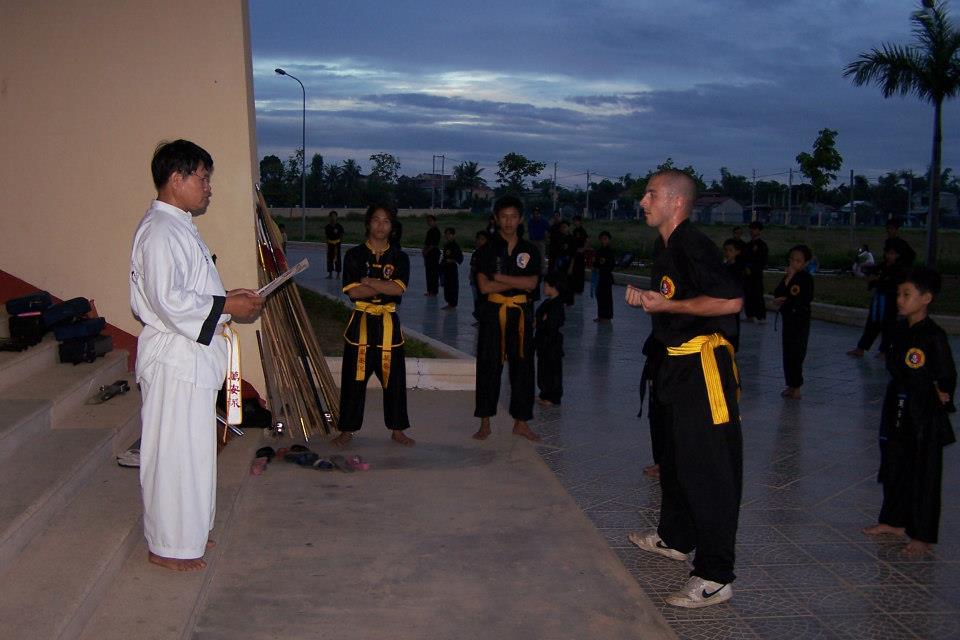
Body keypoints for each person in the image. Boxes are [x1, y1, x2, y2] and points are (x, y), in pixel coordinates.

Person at [130, 139, 263, 571]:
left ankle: (187, 536)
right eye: (203, 178)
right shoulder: (160, 231)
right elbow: (167, 299)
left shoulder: (178, 225)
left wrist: (231, 296)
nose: (209, 188)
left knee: (193, 455)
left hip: (189, 358)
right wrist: (227, 307)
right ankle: (167, 546)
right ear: (176, 179)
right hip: (174, 360)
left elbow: (191, 291)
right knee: (172, 455)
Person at [625, 169, 743, 608]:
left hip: (704, 368)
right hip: (676, 364)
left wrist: (667, 303)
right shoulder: (668, 246)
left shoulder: (693, 243)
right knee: (675, 459)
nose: (642, 200)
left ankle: (715, 575)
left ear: (676, 202)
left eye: (650, 193)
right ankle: (675, 537)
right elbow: (677, 303)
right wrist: (653, 302)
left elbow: (730, 300)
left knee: (710, 470)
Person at [863, 267, 956, 557]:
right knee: (894, 464)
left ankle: (922, 535)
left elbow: (947, 374)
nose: (900, 300)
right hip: (898, 404)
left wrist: (942, 394)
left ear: (926, 298)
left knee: (923, 473)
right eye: (899, 294)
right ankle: (893, 520)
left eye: (907, 295)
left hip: (922, 412)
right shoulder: (900, 329)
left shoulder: (933, 335)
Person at [332, 204, 414, 448]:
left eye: (386, 221)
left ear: (392, 226)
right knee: (353, 379)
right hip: (361, 323)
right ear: (368, 223)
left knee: (395, 378)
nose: (381, 225)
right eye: (376, 220)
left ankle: (397, 429)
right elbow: (354, 291)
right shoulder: (354, 255)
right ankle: (347, 429)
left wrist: (369, 281)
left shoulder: (400, 257)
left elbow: (398, 289)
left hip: (389, 324)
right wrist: (380, 285)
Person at [472, 195, 542, 443]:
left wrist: (500, 279)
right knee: (489, 366)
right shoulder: (486, 250)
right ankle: (485, 422)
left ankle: (521, 423)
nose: (509, 221)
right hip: (493, 314)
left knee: (523, 368)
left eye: (513, 216)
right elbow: (483, 287)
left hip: (521, 315)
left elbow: (532, 284)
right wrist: (515, 283)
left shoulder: (530, 250)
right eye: (504, 216)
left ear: (520, 219)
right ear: (496, 219)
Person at [848, 244, 906, 358]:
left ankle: (884, 351)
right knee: (872, 324)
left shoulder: (899, 269)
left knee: (888, 326)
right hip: (878, 299)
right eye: (888, 253)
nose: (889, 256)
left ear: (898, 255)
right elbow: (872, 276)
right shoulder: (882, 266)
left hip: (890, 301)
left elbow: (896, 283)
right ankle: (861, 348)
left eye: (892, 254)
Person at [773, 245, 814, 399]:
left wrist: (787, 301)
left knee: (797, 352)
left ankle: (796, 386)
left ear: (805, 263)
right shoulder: (789, 276)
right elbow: (778, 292)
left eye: (798, 261)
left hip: (800, 321)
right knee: (788, 352)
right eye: (792, 260)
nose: (794, 263)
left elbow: (805, 298)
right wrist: (788, 278)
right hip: (788, 320)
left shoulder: (806, 278)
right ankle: (790, 384)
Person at [535, 273, 565, 406]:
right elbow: (539, 318)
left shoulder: (557, 305)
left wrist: (542, 321)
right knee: (543, 369)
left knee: (551, 370)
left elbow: (551, 324)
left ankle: (552, 397)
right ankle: (545, 393)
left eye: (546, 285)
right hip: (543, 341)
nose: (543, 288)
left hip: (551, 343)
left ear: (553, 287)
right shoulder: (548, 302)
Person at [722, 238, 746, 351]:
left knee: (733, 326)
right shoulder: (724, 266)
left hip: (733, 301)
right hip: (724, 302)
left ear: (737, 252)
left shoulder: (738, 268)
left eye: (730, 250)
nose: (727, 253)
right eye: (726, 250)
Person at [742, 221, 768, 323]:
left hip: (756, 274)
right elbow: (744, 258)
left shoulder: (762, 246)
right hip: (747, 274)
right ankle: (750, 315)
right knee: (748, 295)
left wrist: (752, 269)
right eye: (751, 229)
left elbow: (762, 260)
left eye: (755, 229)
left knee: (757, 294)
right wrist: (745, 268)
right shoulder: (748, 245)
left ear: (759, 231)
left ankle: (761, 316)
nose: (752, 231)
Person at [593, 231, 615, 322]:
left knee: (607, 297)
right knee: (599, 297)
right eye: (602, 239)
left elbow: (611, 266)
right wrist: (594, 268)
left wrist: (601, 269)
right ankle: (600, 315)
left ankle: (607, 317)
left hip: (606, 277)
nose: (604, 241)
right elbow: (596, 263)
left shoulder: (610, 252)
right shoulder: (599, 251)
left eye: (605, 239)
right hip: (599, 277)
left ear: (609, 240)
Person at [441, 227, 463, 309]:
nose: (447, 236)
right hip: (446, 268)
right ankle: (449, 302)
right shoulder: (446, 245)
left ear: (453, 235)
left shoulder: (455, 246)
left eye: (449, 234)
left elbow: (460, 258)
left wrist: (452, 260)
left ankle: (453, 303)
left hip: (452, 269)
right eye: (446, 234)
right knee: (446, 286)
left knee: (453, 286)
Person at [469, 231, 487, 324]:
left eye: (482, 239)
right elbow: (472, 266)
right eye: (478, 239)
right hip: (475, 281)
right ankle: (479, 318)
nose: (479, 241)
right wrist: (471, 277)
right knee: (476, 300)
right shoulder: (476, 253)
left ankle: (483, 319)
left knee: (483, 300)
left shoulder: (487, 254)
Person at [423, 214, 441, 296]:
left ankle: (434, 291)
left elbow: (433, 244)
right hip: (429, 253)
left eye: (430, 221)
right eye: (428, 221)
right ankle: (430, 290)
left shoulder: (436, 231)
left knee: (433, 273)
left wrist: (426, 251)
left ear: (434, 221)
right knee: (429, 272)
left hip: (433, 253)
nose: (429, 223)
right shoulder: (430, 231)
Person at [527, 207, 550, 273]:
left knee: (542, 258)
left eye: (537, 213)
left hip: (541, 241)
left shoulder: (544, 221)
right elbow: (529, 231)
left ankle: (542, 272)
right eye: (534, 213)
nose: (535, 215)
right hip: (532, 242)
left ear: (539, 214)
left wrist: (546, 239)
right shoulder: (530, 221)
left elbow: (548, 231)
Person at [570, 216, 588, 295]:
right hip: (575, 253)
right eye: (574, 221)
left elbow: (587, 241)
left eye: (576, 221)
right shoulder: (574, 231)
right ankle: (574, 287)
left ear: (579, 222)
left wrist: (583, 249)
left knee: (580, 271)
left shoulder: (582, 231)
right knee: (575, 270)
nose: (575, 222)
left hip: (580, 254)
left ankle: (580, 289)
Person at [324, 210, 344, 279]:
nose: (333, 218)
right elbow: (326, 236)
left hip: (337, 244)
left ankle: (338, 274)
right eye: (331, 216)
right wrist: (327, 244)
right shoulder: (327, 227)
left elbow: (341, 236)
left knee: (337, 259)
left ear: (336, 217)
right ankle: (330, 274)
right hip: (330, 244)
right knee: (330, 259)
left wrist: (339, 243)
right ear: (329, 217)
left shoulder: (339, 226)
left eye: (334, 216)